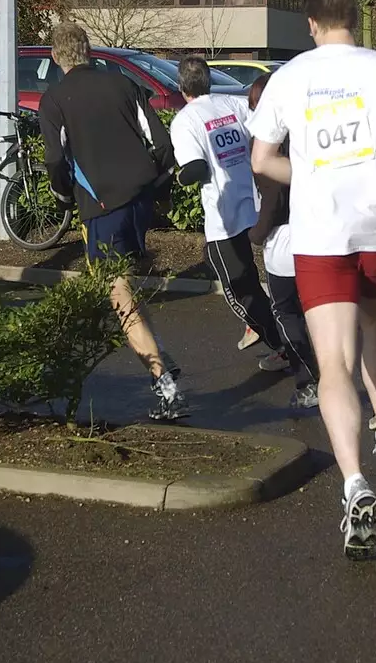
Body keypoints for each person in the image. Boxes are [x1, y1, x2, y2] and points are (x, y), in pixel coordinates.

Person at [248, 0, 376, 559]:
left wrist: (307, 176)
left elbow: (262, 158)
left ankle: (353, 481)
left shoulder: (288, 78)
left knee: (332, 361)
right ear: (355, 18)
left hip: (322, 233)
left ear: (310, 24)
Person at [40, 21, 184, 421]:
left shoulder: (54, 100)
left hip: (101, 203)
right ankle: (160, 358)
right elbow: (162, 142)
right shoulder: (123, 84)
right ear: (89, 50)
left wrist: (64, 193)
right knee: (126, 285)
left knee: (117, 293)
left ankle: (165, 384)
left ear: (56, 56)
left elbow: (55, 160)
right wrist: (152, 180)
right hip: (139, 197)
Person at [170, 57, 294, 375]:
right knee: (258, 277)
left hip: (223, 216)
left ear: (182, 87)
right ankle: (272, 327)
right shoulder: (233, 103)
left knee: (238, 287)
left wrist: (176, 177)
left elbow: (195, 167)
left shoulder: (185, 121)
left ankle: (283, 346)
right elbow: (268, 120)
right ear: (209, 81)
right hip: (255, 203)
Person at [245, 74, 319, 409]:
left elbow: (273, 199)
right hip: (320, 234)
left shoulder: (267, 146)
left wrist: (256, 234)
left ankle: (308, 383)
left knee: (287, 311)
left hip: (286, 240)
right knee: (319, 312)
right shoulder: (309, 134)